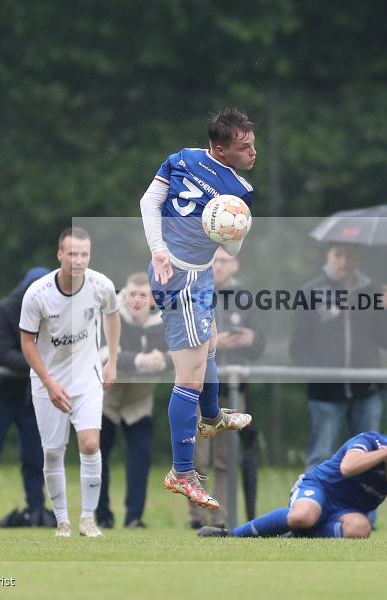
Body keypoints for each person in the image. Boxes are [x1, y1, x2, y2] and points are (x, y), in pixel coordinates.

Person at [139, 108, 256, 510]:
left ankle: (210, 417)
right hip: (181, 279)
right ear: (222, 150)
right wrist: (159, 251)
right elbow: (149, 202)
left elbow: (150, 202)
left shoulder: (183, 158)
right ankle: (183, 473)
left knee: (207, 346)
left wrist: (231, 229)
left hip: (197, 274)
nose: (253, 152)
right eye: (244, 147)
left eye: (253, 143)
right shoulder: (228, 185)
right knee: (188, 378)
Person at [19, 227, 121, 538]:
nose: (79, 260)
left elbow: (113, 315)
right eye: (73, 254)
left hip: (86, 376)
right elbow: (27, 343)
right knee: (52, 452)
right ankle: (62, 521)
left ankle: (88, 519)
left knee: (90, 444)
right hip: (48, 380)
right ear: (60, 255)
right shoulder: (38, 294)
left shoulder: (101, 285)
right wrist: (49, 384)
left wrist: (112, 362)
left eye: (84, 254)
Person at [197, 420, 387, 539]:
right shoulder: (371, 441)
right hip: (319, 488)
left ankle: (295, 533)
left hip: (347, 510)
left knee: (361, 529)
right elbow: (348, 468)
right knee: (303, 516)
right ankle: (231, 535)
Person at [289, 242, 387, 472]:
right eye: (338, 255)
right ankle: (311, 507)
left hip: (366, 392)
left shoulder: (372, 292)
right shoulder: (311, 292)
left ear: (357, 259)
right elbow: (297, 346)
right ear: (328, 257)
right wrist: (318, 374)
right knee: (320, 457)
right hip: (326, 395)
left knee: (370, 459)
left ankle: (364, 510)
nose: (343, 262)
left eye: (349, 256)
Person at [0, 267, 52, 531]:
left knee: (35, 458)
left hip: (30, 397)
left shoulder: (52, 313)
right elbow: (2, 353)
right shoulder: (5, 311)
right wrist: (38, 366)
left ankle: (36, 513)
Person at [189, 247, 266, 528]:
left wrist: (250, 339)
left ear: (235, 265)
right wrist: (216, 343)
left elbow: (260, 345)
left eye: (224, 261)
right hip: (199, 389)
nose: (218, 266)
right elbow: (183, 338)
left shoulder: (245, 298)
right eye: (214, 261)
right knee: (199, 459)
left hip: (233, 391)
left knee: (225, 460)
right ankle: (197, 516)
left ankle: (220, 517)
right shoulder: (195, 292)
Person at [96, 272, 169, 530]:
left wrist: (164, 360)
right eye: (131, 294)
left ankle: (134, 518)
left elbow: (179, 351)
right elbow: (103, 353)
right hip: (107, 398)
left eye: (142, 295)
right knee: (98, 457)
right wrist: (141, 360)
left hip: (140, 399)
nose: (135, 301)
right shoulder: (110, 312)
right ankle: (101, 516)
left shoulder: (165, 319)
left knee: (140, 459)